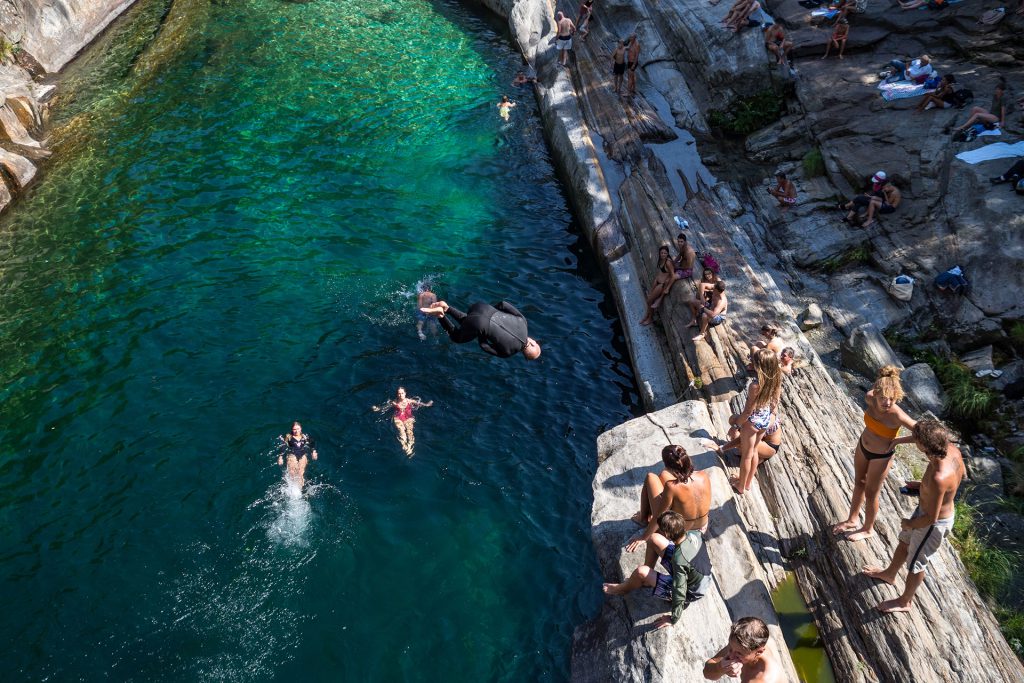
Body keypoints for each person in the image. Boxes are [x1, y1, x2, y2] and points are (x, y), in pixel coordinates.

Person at [863, 420, 965, 613]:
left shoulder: (938, 477)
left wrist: (910, 523)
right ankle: (890, 574)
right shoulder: (950, 449)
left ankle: (905, 601)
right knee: (904, 543)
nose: (913, 441)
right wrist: (923, 486)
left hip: (932, 524)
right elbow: (959, 476)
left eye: (916, 440)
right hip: (926, 511)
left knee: (916, 563)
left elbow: (932, 519)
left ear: (925, 447)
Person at [833, 366, 917, 541]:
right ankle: (852, 519)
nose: (887, 402)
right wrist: (884, 381)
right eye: (883, 398)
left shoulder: (897, 415)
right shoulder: (870, 398)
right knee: (859, 483)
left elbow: (922, 433)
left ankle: (868, 528)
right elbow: (877, 389)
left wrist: (898, 440)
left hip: (881, 456)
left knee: (872, 493)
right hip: (863, 446)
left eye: (892, 399)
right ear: (876, 394)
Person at [603, 511, 710, 629]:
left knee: (641, 572)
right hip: (694, 572)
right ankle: (646, 580)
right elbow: (703, 524)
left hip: (690, 591)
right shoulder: (693, 533)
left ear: (667, 534)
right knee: (653, 538)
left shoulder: (679, 560)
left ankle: (622, 589)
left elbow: (679, 590)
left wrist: (673, 619)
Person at [627, 445, 713, 550]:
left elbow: (659, 517)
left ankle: (643, 518)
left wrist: (644, 537)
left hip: (679, 531)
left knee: (651, 477)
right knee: (663, 476)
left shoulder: (671, 487)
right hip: (701, 526)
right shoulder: (703, 475)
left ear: (667, 465)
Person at [731, 349, 784, 494]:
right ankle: (747, 483)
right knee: (754, 451)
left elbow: (748, 411)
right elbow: (775, 403)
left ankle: (740, 486)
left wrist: (736, 426)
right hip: (765, 421)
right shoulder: (776, 378)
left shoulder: (755, 385)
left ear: (758, 366)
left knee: (747, 456)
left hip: (753, 422)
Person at [420, 300, 541, 360]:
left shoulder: (524, 322)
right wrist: (482, 330)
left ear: (533, 342)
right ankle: (441, 315)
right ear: (524, 355)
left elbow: (503, 304)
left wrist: (490, 312)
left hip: (481, 307)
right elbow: (484, 346)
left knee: (470, 322)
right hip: (478, 323)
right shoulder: (508, 352)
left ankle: (446, 307)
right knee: (457, 337)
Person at [703, 617, 782, 682]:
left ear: (759, 652)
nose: (730, 655)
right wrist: (719, 667)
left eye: (739, 654)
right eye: (730, 647)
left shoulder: (760, 679)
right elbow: (706, 672)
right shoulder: (737, 647)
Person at [374, 386, 433, 456]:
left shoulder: (409, 401)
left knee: (409, 432)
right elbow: (385, 407)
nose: (400, 395)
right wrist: (377, 408)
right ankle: (405, 447)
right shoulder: (394, 403)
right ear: (397, 394)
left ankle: (410, 446)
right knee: (401, 431)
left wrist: (428, 404)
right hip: (398, 418)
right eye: (399, 393)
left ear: (405, 393)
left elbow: (421, 404)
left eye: (402, 393)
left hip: (408, 418)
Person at [716, 412, 785, 464]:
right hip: (761, 438)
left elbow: (743, 439)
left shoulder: (763, 419)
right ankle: (754, 454)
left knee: (737, 436)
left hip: (770, 447)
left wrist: (722, 448)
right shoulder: (755, 413)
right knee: (733, 419)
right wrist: (735, 427)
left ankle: (758, 458)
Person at [639, 245, 678, 326]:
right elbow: (662, 272)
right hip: (658, 282)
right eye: (662, 253)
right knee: (650, 299)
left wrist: (667, 286)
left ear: (667, 254)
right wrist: (656, 280)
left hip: (662, 285)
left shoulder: (668, 262)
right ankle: (647, 315)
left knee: (649, 300)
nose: (663, 254)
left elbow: (673, 275)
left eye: (665, 253)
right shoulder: (661, 260)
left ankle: (650, 318)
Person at [278, 421, 317, 488]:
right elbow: (283, 446)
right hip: (292, 455)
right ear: (292, 430)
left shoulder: (305, 436)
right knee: (292, 474)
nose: (296, 431)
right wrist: (280, 457)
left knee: (300, 474)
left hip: (303, 455)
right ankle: (292, 488)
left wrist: (313, 452)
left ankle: (300, 490)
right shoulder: (288, 436)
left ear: (301, 428)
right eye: (294, 429)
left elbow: (312, 443)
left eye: (298, 429)